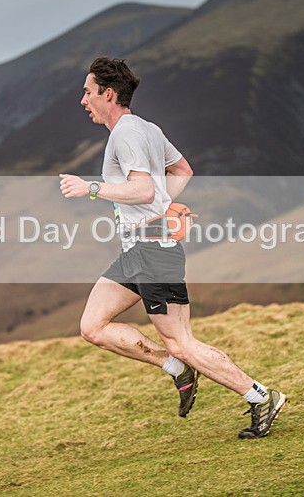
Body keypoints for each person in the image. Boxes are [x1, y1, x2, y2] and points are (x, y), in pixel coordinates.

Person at [59, 56, 286, 439]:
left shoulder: (127, 134)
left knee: (182, 342)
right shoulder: (148, 129)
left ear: (108, 94)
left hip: (154, 252)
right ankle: (176, 370)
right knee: (93, 326)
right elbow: (182, 171)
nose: (83, 100)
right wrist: (160, 207)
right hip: (138, 250)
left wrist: (91, 188)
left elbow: (144, 188)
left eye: (88, 92)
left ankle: (261, 396)